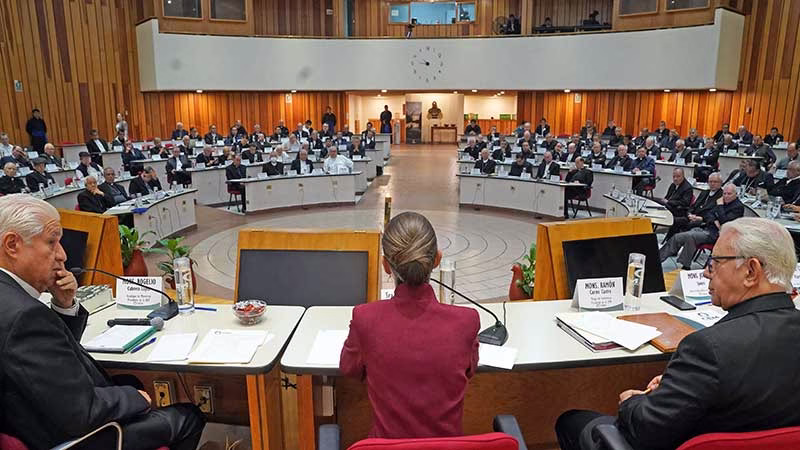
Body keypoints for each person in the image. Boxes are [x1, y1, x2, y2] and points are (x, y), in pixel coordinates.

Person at [558, 217, 800, 450]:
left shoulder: (708, 348)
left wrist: (633, 401)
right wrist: (678, 385)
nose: (706, 273)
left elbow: (647, 431)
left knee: (572, 421)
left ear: (750, 271)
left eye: (715, 263)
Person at [0, 195, 206, 448]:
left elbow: (49, 355)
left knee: (127, 381)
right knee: (187, 416)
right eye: (52, 242)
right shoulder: (24, 316)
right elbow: (80, 413)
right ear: (12, 244)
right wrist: (137, 398)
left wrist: (65, 305)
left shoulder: (13, 302)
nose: (62, 255)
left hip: (34, 416)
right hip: (71, 438)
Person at [340, 212, 479, 439]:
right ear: (437, 259)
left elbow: (349, 368)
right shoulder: (467, 321)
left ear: (386, 265)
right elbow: (470, 369)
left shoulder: (365, 318)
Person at [659, 183, 743, 269]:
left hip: (717, 235)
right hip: (706, 228)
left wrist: (720, 207)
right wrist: (716, 221)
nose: (726, 196)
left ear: (736, 194)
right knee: (681, 237)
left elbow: (725, 222)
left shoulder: (737, 207)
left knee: (686, 236)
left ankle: (673, 263)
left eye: (729, 194)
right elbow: (709, 215)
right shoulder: (721, 202)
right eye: (724, 193)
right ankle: (674, 263)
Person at [664, 172, 724, 241]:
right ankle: (668, 240)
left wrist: (701, 218)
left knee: (680, 222)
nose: (712, 184)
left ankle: (673, 241)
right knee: (675, 220)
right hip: (692, 216)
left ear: (721, 183)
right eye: (710, 182)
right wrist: (689, 213)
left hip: (703, 221)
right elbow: (693, 205)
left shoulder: (721, 196)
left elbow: (714, 212)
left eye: (715, 182)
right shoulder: (705, 192)